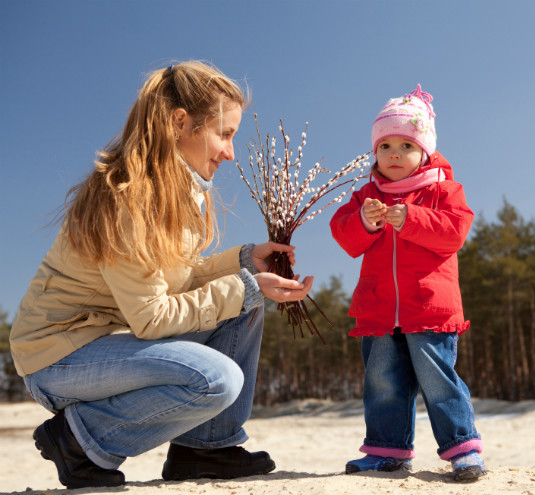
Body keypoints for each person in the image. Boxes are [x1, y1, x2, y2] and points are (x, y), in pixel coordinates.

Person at [9, 60, 314, 489]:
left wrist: (244, 264)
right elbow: (152, 317)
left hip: (103, 342)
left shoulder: (177, 192)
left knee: (244, 306)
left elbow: (177, 281)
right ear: (179, 123)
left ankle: (204, 449)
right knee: (217, 378)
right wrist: (245, 286)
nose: (230, 152)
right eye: (224, 134)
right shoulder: (130, 197)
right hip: (57, 355)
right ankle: (79, 439)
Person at [329, 85, 486, 482]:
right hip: (379, 307)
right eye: (385, 146)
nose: (394, 154)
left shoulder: (443, 190)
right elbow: (345, 237)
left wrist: (412, 220)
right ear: (375, 152)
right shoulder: (366, 196)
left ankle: (463, 448)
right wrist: (367, 222)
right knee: (382, 380)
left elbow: (454, 232)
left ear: (425, 152)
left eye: (406, 145)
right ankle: (388, 450)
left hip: (430, 307)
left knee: (437, 379)